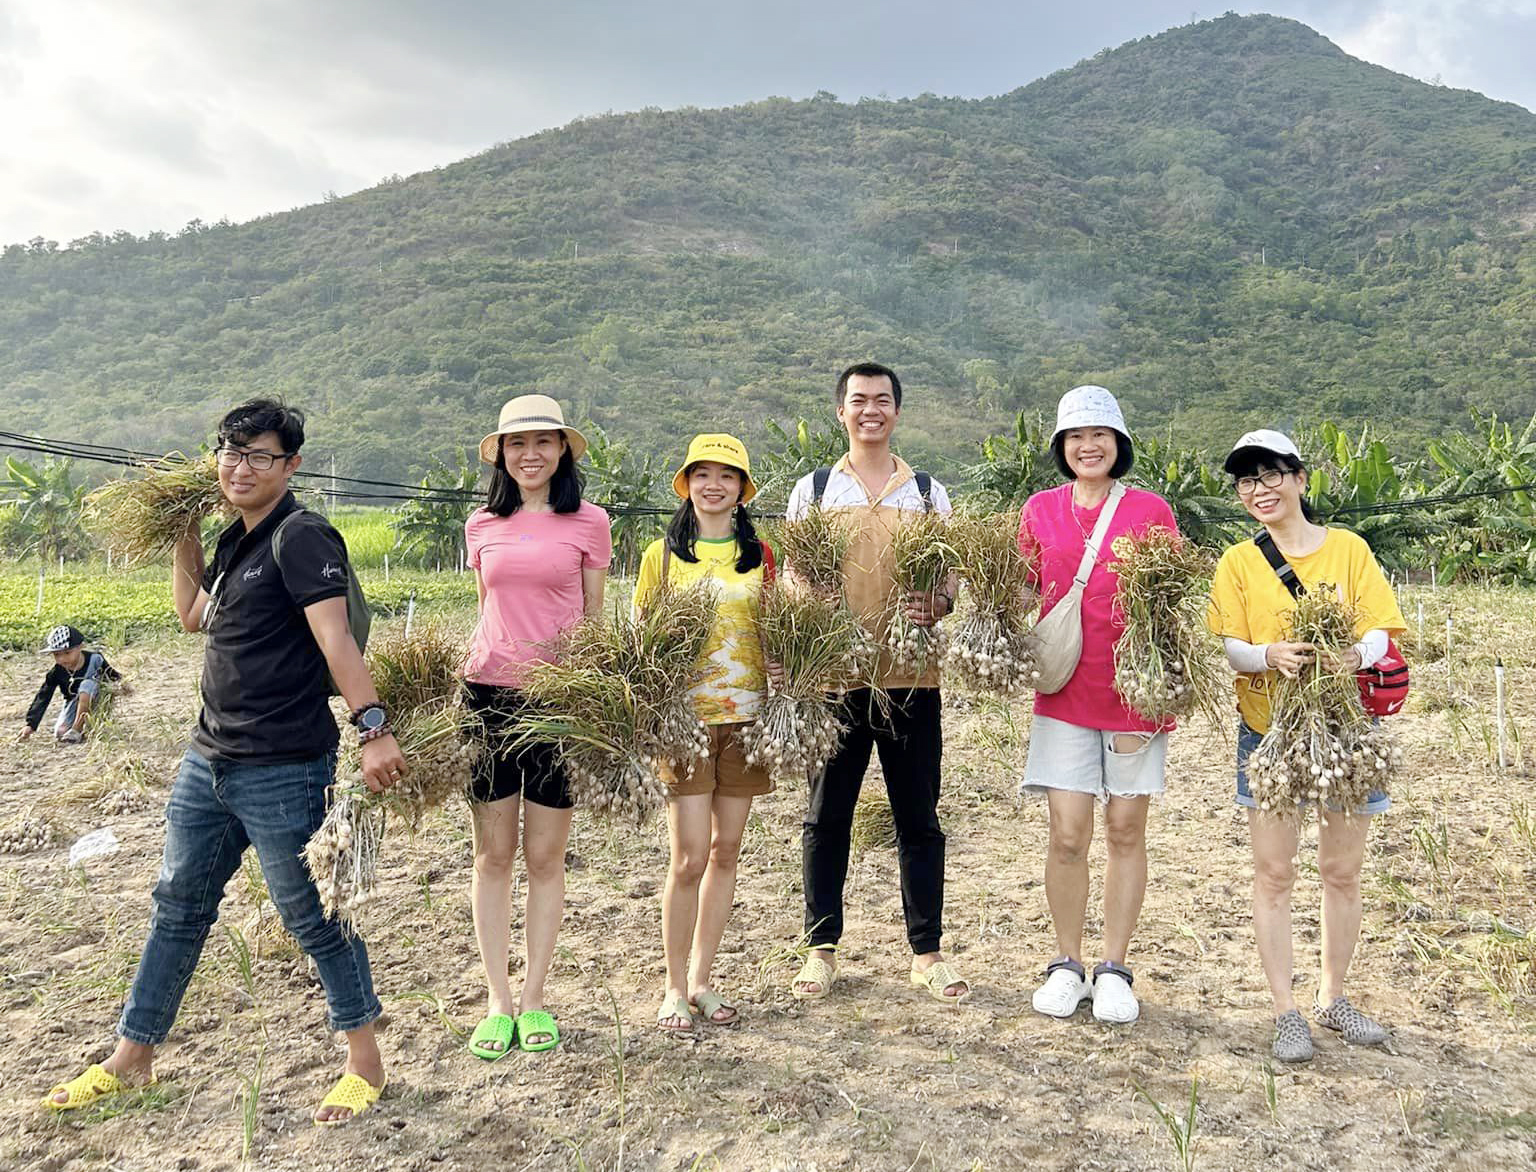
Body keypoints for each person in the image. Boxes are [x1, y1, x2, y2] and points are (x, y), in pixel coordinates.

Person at [44, 398, 407, 1125]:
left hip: (284, 765)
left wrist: (373, 729)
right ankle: (133, 1054)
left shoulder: (302, 537)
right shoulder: (237, 539)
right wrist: (184, 535)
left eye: (259, 455)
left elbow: (338, 642)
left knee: (313, 916)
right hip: (207, 762)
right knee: (178, 907)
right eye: (230, 453)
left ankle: (364, 1063)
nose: (241, 467)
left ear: (291, 465)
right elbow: (192, 617)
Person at [1208, 429, 1405, 1062]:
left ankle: (1333, 996)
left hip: (1346, 733)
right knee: (1274, 872)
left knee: (1341, 871)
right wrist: (1267, 653)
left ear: (1299, 478)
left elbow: (1382, 627)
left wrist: (1355, 652)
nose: (1259, 490)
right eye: (1246, 481)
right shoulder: (1238, 562)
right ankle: (1285, 1010)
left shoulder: (1348, 549)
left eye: (1270, 475)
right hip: (1269, 731)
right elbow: (1227, 645)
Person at [783, 361, 968, 1005]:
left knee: (918, 817)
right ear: (841, 412)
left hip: (912, 676)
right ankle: (821, 950)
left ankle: (927, 953)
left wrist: (937, 604)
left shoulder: (926, 492)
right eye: (858, 400)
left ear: (897, 411)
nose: (871, 410)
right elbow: (792, 580)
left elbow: (951, 578)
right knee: (825, 816)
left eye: (882, 400)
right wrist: (812, 601)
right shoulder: (811, 490)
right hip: (835, 680)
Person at [1018, 385, 1177, 1026]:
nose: (1088, 446)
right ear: (1062, 447)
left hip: (1134, 695)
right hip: (1062, 692)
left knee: (1126, 831)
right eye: (1076, 437)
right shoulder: (1038, 510)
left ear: (1119, 444)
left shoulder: (1150, 511)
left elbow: (1167, 605)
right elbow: (1018, 588)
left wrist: (1168, 683)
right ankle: (1066, 964)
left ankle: (1113, 967)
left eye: (1100, 436)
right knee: (1066, 834)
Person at [462, 394, 610, 1061]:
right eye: (518, 445)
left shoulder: (590, 522)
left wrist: (594, 699)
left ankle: (535, 999)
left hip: (560, 701)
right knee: (493, 856)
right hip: (488, 698)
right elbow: (489, 613)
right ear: (502, 454)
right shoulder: (480, 526)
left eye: (543, 443)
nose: (531, 455)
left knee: (545, 858)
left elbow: (595, 624)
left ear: (562, 451)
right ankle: (497, 1000)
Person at [634, 435, 775, 1032]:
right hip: (686, 724)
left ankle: (702, 981)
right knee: (689, 857)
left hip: (747, 720)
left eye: (727, 475)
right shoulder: (661, 558)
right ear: (686, 484)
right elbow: (641, 640)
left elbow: (781, 631)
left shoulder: (764, 557)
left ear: (742, 491)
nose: (713, 485)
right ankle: (671, 986)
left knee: (726, 852)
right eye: (702, 474)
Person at [21, 625, 122, 743]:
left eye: (67, 653)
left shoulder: (95, 659)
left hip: (97, 699)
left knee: (87, 685)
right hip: (73, 702)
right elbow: (43, 696)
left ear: (81, 647)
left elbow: (112, 675)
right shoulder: (56, 672)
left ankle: (77, 728)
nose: (62, 659)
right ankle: (85, 728)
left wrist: (121, 685)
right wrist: (31, 724)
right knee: (61, 732)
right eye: (57, 654)